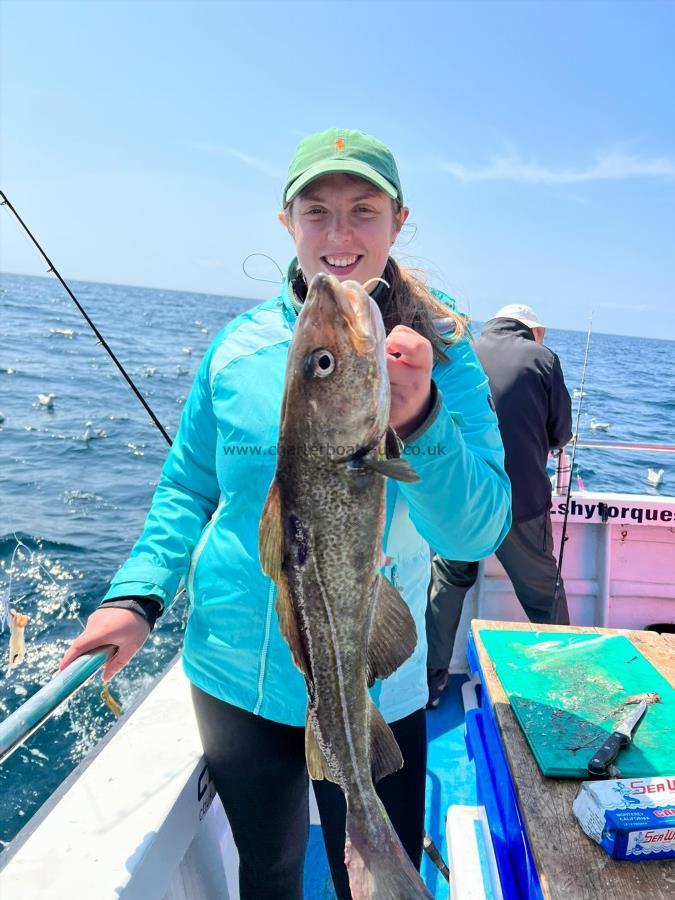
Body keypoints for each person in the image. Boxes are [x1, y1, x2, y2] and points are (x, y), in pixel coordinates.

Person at [60, 128, 511, 899]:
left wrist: (426, 416)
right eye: (317, 212)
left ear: (399, 220)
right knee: (267, 871)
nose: (339, 236)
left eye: (362, 211)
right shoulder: (235, 349)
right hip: (232, 673)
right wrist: (137, 595)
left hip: (371, 684)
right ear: (287, 223)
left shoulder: (445, 353)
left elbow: (477, 530)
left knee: (378, 868)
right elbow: (185, 486)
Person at [426, 303, 573, 708]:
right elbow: (561, 431)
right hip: (520, 500)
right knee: (544, 594)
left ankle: (432, 682)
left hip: (463, 500)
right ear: (533, 330)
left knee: (447, 584)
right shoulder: (543, 357)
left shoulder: (463, 349)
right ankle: (564, 679)